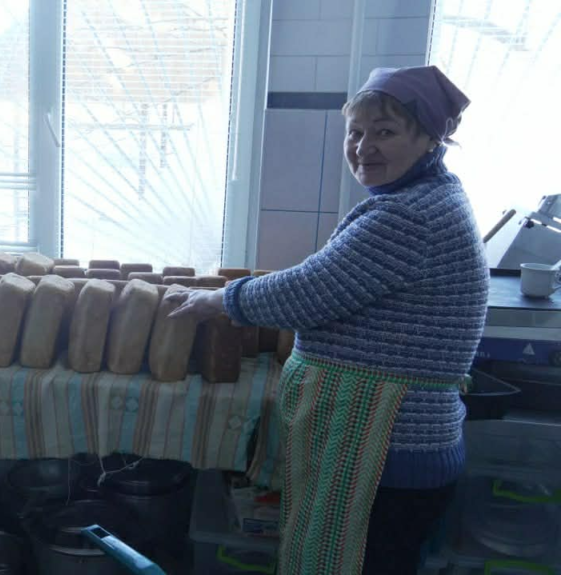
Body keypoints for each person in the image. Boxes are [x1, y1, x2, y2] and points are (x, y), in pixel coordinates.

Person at [167, 66, 488, 575]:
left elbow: (307, 293)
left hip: (388, 447)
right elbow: (331, 282)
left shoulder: (407, 216)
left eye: (384, 132)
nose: (364, 148)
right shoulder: (422, 199)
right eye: (355, 133)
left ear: (430, 138)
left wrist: (220, 300)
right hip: (389, 446)